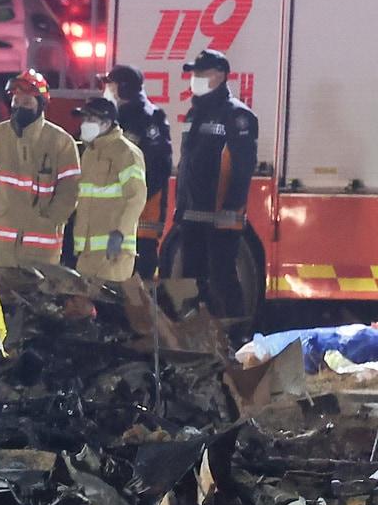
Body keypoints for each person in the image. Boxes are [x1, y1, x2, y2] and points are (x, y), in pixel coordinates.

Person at [0, 69, 81, 268]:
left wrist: (49, 221)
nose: (20, 107)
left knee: (41, 299)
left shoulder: (61, 142)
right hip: (2, 249)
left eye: (27, 102)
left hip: (42, 250)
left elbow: (70, 191)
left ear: (41, 104)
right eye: (16, 102)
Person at [174, 49, 257, 318]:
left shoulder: (237, 116)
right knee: (191, 282)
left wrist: (230, 210)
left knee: (222, 279)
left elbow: (242, 168)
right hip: (192, 214)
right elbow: (188, 163)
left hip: (221, 216)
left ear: (220, 75)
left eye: (202, 73)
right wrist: (181, 206)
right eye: (193, 73)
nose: (195, 78)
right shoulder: (193, 114)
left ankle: (235, 337)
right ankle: (198, 336)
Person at [101, 65, 173, 279]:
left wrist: (132, 199)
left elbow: (158, 168)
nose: (106, 90)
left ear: (123, 89)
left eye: (110, 85)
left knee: (138, 283)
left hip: (142, 221)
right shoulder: (115, 118)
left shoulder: (149, 119)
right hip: (118, 218)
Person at [71, 97, 148, 282]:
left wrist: (120, 233)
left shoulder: (126, 152)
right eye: (84, 119)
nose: (85, 124)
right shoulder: (89, 153)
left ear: (106, 123)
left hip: (113, 253)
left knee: (109, 308)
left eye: (91, 120)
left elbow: (136, 197)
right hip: (87, 253)